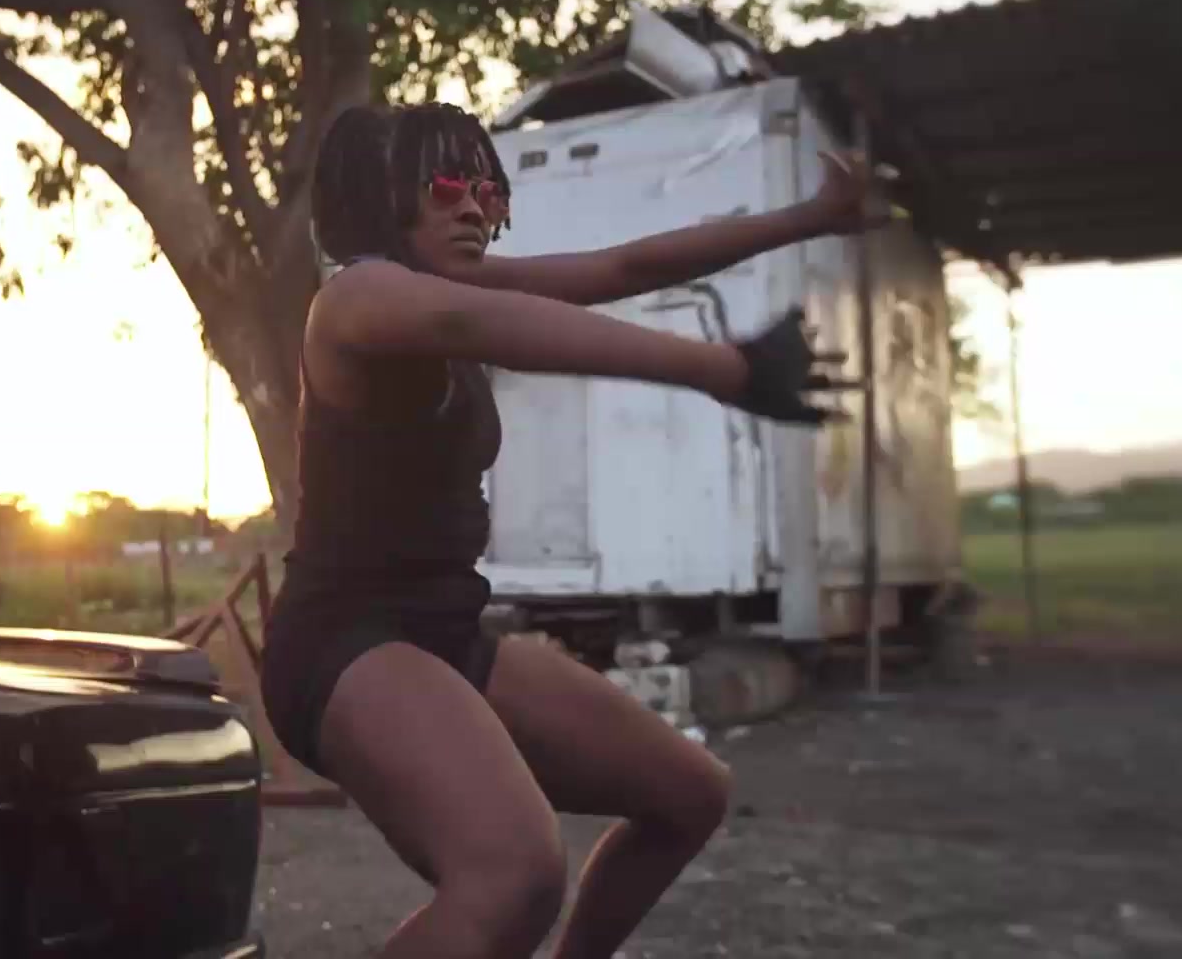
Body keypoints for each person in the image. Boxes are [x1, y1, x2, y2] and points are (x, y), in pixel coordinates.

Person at [258, 100, 880, 959]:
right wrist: (722, 367)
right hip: (344, 641)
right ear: (381, 193)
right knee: (514, 876)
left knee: (688, 795)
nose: (473, 208)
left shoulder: (457, 286)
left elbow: (625, 264)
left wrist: (812, 216)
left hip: (441, 632)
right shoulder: (355, 296)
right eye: (445, 185)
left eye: (488, 191)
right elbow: (474, 326)